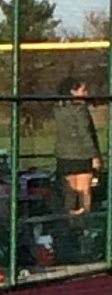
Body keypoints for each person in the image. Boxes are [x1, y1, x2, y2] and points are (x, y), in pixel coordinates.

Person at [53, 78, 103, 221]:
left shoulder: (58, 108)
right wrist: (94, 156)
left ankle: (70, 222)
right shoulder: (80, 109)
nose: (86, 93)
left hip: (64, 155)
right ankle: (84, 222)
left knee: (69, 192)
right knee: (84, 191)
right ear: (73, 92)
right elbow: (85, 133)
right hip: (82, 154)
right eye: (83, 90)